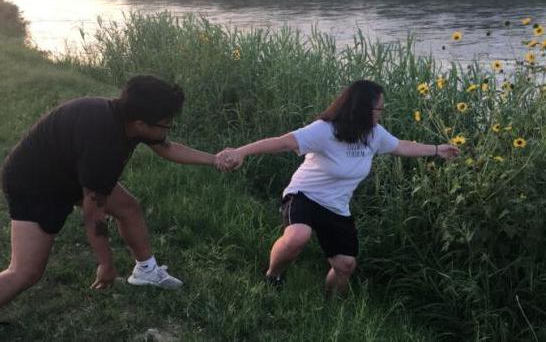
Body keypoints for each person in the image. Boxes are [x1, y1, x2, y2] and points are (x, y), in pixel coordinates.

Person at [0, 75, 226, 309]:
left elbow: (167, 148)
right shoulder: (105, 146)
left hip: (68, 169)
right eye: (167, 122)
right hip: (34, 185)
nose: (169, 127)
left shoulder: (124, 116)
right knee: (25, 272)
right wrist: (106, 264)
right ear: (141, 124)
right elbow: (93, 215)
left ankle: (146, 271)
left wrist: (215, 160)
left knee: (128, 207)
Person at [217, 80, 460, 296]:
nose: (382, 113)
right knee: (298, 236)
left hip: (336, 206)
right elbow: (284, 142)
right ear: (363, 109)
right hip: (305, 195)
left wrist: (438, 149)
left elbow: (402, 147)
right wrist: (241, 152)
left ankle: (330, 306)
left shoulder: (374, 134)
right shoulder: (325, 130)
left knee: (345, 266)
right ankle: (272, 277)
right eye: (379, 108)